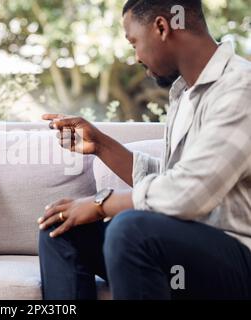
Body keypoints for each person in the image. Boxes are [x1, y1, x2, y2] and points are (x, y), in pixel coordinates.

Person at [38, 0, 251, 300]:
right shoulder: (184, 93)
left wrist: (101, 203)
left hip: (239, 258)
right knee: (60, 229)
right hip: (184, 246)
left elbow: (188, 193)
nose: (136, 56)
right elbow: (170, 181)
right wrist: (101, 145)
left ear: (162, 27)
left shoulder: (241, 87)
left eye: (134, 41)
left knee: (129, 228)